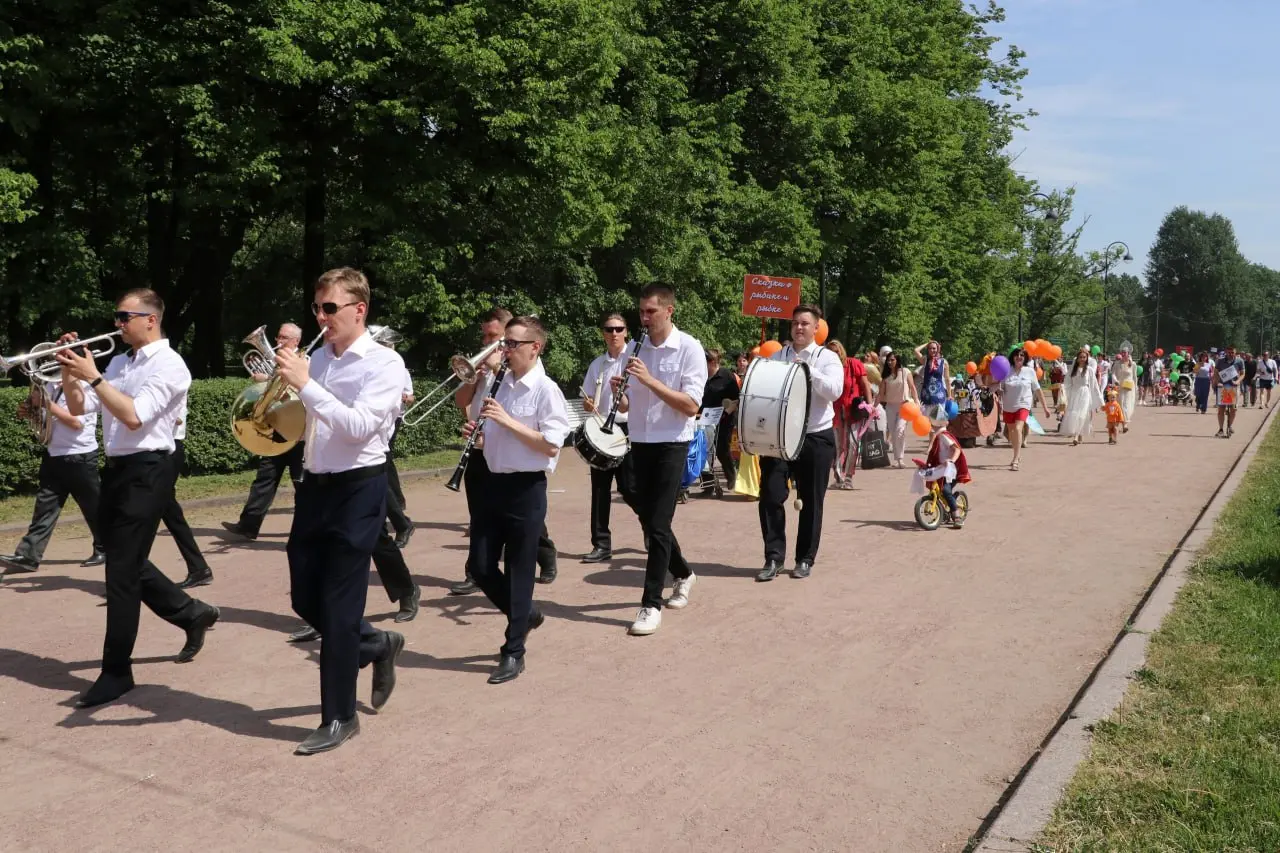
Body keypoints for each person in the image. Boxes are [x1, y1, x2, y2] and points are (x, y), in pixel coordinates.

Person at [55, 289, 220, 709]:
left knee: (121, 572)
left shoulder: (170, 365)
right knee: (121, 556)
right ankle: (190, 612)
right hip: (118, 468)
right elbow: (81, 407)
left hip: (150, 467)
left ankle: (116, 671)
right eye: (117, 316)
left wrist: (93, 377)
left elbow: (133, 415)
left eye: (124, 316)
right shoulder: (118, 362)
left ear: (151, 319)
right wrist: (72, 372)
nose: (117, 323)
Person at [272, 267, 407, 755]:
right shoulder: (317, 359)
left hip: (359, 490)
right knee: (304, 597)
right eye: (317, 308)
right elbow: (306, 418)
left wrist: (305, 386)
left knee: (338, 602)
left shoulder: (385, 364)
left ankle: (339, 716)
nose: (321, 317)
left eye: (330, 308)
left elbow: (357, 427)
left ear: (358, 310)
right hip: (315, 487)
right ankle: (374, 645)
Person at [465, 316, 570, 683]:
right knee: (479, 566)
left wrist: (506, 422)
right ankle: (523, 613)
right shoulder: (499, 382)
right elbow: (494, 436)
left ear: (534, 347)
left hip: (526, 489)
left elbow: (552, 443)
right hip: (491, 484)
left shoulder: (546, 390)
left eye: (511, 344)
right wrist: (479, 436)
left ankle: (513, 651)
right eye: (504, 343)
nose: (503, 350)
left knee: (520, 570)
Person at [611, 283, 706, 636]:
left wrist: (649, 380)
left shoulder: (689, 348)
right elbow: (628, 405)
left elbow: (691, 405)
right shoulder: (634, 348)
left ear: (669, 311)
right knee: (647, 514)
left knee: (659, 521)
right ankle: (683, 572)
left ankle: (650, 604)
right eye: (641, 311)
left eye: (651, 311)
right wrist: (618, 396)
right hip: (639, 441)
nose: (644, 318)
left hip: (672, 443)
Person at [450, 309, 560, 594]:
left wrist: (500, 368)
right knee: (481, 514)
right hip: (480, 445)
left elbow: (528, 418)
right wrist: (475, 375)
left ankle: (545, 555)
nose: (488, 342)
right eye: (485, 335)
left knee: (524, 520)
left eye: (494, 336)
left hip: (515, 455)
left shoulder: (525, 369)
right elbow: (461, 400)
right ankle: (477, 571)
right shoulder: (484, 364)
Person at [755, 305, 843, 581]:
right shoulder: (778, 356)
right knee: (770, 495)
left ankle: (804, 559)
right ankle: (773, 557)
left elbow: (834, 391)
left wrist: (808, 371)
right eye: (795, 323)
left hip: (816, 436)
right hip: (780, 437)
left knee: (811, 501)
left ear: (817, 328)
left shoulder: (827, 358)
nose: (799, 328)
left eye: (805, 323)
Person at [0, 376, 105, 574]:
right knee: (44, 508)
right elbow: (45, 418)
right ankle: (28, 556)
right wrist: (29, 412)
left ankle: (105, 549)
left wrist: (46, 404)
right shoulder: (48, 386)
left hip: (79, 456)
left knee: (93, 507)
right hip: (54, 454)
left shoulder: (82, 387)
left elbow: (76, 423)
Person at [223, 323, 306, 541]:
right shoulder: (273, 361)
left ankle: (308, 527)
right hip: (275, 427)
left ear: (296, 341)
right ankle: (249, 524)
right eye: (278, 336)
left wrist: (267, 380)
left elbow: (299, 390)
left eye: (284, 337)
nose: (278, 340)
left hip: (297, 431)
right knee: (265, 477)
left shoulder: (305, 361)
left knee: (301, 482)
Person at [579, 313, 641, 562]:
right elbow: (588, 403)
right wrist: (587, 402)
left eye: (618, 329)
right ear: (603, 333)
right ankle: (601, 545)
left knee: (630, 488)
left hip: (627, 430)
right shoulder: (597, 364)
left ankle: (652, 531)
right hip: (602, 429)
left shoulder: (636, 359)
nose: (614, 333)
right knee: (600, 489)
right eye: (609, 329)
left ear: (626, 331)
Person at [994, 348, 1052, 471]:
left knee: (1018, 428)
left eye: (1021, 355)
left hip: (1024, 404)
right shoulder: (1006, 371)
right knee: (1012, 433)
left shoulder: (1030, 371)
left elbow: (1037, 390)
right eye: (1016, 355)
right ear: (1013, 357)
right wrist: (999, 390)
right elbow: (1000, 387)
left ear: (1025, 358)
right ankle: (1016, 453)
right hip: (1009, 406)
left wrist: (1045, 408)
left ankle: (1016, 458)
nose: (1019, 357)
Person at [831, 341, 872, 487]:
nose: (834, 354)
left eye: (836, 351)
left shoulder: (853, 363)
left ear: (841, 351)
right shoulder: (829, 368)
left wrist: (870, 405)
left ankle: (848, 477)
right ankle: (837, 476)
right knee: (838, 446)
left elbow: (865, 384)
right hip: (835, 411)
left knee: (853, 443)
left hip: (854, 409)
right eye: (831, 352)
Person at [700, 348, 740, 491]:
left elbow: (737, 399)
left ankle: (731, 475)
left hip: (724, 417)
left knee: (721, 449)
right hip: (704, 418)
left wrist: (726, 412)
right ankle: (708, 484)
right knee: (703, 449)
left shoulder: (726, 376)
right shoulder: (701, 376)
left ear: (712, 362)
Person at [872, 349, 918, 469]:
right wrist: (873, 407)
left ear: (897, 360)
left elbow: (912, 387)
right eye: (888, 360)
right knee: (893, 432)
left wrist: (917, 401)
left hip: (905, 406)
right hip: (891, 406)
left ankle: (900, 458)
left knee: (899, 430)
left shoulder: (905, 371)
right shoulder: (886, 377)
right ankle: (897, 459)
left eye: (892, 360)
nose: (890, 362)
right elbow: (880, 394)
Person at [1061, 346, 1103, 446]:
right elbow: (1067, 382)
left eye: (1084, 357)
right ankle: (1079, 435)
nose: (1082, 359)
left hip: (1085, 393)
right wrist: (1064, 392)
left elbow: (1095, 385)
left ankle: (1076, 435)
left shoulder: (1089, 370)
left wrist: (1100, 400)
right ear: (1077, 358)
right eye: (1081, 357)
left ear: (1087, 358)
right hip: (1074, 393)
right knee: (1075, 413)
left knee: (1082, 414)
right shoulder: (1073, 370)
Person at [1212, 348, 1244, 438]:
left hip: (1234, 387)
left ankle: (1230, 426)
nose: (1230, 354)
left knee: (1233, 409)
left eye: (1232, 353)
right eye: (1229, 352)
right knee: (1221, 409)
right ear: (1226, 352)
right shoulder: (1220, 361)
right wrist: (1217, 382)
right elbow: (1216, 373)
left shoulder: (1239, 361)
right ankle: (1221, 429)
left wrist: (1237, 381)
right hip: (1223, 387)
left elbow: (1243, 373)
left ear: (1235, 353)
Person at [1111, 350, 1138, 429]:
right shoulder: (1117, 363)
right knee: (1121, 404)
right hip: (1120, 386)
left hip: (1129, 387)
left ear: (1128, 354)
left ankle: (1125, 424)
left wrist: (1136, 386)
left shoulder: (1133, 364)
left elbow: (1134, 376)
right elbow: (1113, 374)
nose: (1123, 354)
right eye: (1122, 352)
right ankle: (1123, 423)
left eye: (1125, 352)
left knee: (1127, 404)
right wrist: (1115, 381)